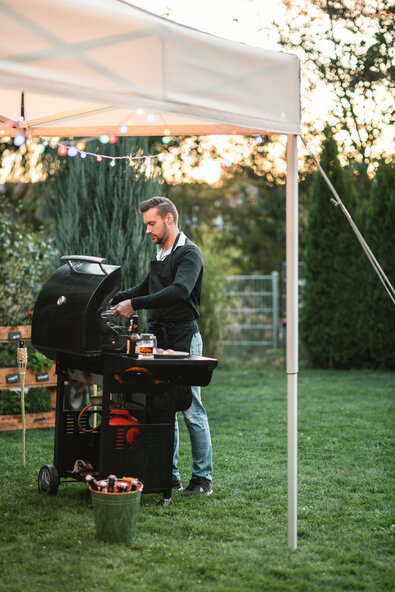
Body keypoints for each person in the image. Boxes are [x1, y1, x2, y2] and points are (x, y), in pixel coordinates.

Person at [111, 196, 213, 496]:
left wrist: (135, 304)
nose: (147, 230)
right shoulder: (160, 252)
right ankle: (169, 476)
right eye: (146, 224)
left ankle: (202, 480)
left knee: (191, 408)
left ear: (169, 219)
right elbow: (147, 288)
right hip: (158, 338)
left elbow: (179, 292)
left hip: (184, 338)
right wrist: (116, 298)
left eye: (151, 223)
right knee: (164, 407)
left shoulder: (189, 253)